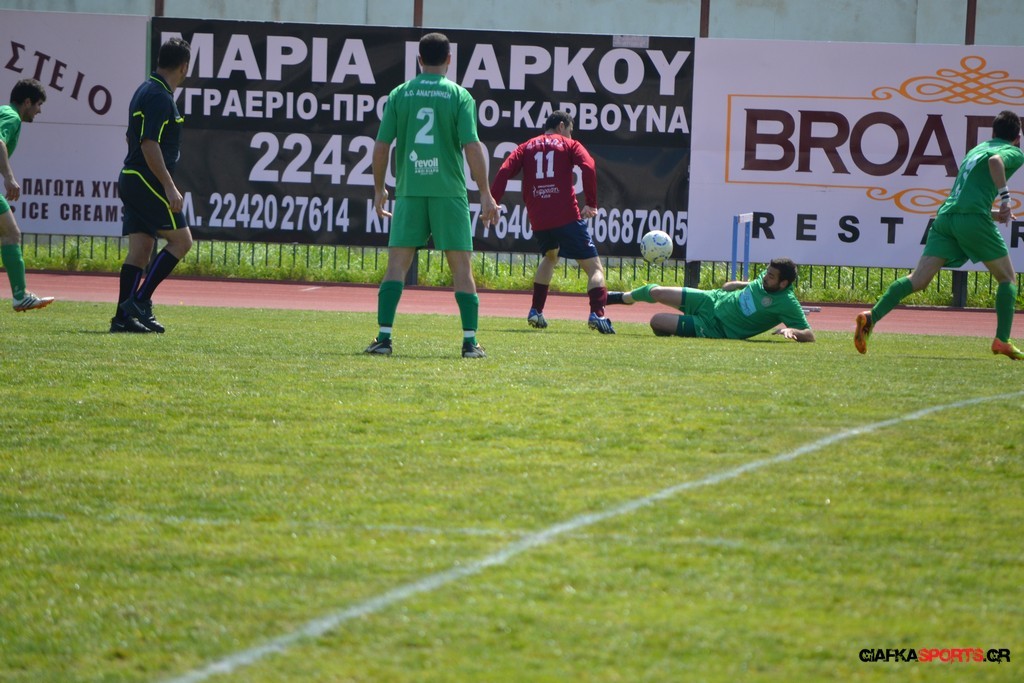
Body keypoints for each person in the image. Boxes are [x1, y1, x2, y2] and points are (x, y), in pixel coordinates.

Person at [365, 32, 498, 358]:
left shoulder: (400, 94)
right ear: (449, 59)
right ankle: (470, 343)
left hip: (411, 191)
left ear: (419, 59)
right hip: (448, 192)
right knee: (461, 268)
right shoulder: (459, 95)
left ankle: (383, 339)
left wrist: (379, 188)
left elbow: (382, 146)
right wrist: (485, 192)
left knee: (396, 265)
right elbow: (472, 146)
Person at [855, 110, 1024, 359]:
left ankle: (872, 316)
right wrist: (1006, 199)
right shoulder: (1013, 152)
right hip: (970, 219)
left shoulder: (976, 150)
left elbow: (965, 196)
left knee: (918, 279)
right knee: (1007, 279)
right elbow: (996, 162)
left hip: (947, 218)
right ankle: (1002, 339)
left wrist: (994, 214)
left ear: (993, 132)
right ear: (1017, 137)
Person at [490, 110, 613, 333]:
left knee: (551, 256)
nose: (571, 135)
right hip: (566, 216)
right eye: (570, 130)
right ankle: (597, 314)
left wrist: (493, 201)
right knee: (595, 268)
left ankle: (536, 311)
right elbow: (588, 165)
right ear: (561, 126)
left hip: (539, 218)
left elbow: (504, 170)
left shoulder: (526, 146)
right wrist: (591, 203)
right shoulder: (569, 144)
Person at [112, 37, 193, 334]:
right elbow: (149, 143)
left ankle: (122, 319)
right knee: (182, 241)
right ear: (184, 67)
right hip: (145, 179)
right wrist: (169, 186)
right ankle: (140, 300)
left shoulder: (145, 89)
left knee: (141, 250)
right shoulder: (160, 96)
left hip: (131, 177)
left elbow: (130, 136)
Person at [607, 257, 815, 342]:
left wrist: (792, 331)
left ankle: (682, 328)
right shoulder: (766, 279)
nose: (765, 277)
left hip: (715, 327)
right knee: (657, 292)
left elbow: (809, 335)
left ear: (783, 284)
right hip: (712, 299)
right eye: (767, 272)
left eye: (771, 276)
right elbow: (754, 285)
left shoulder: (787, 303)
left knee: (656, 321)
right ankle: (623, 297)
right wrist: (739, 284)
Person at [0, 78, 54, 312]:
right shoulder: (12, 117)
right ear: (28, 102)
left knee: (9, 233)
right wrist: (9, 177)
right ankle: (20, 296)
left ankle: (21, 295)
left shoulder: (4, 111)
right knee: (11, 234)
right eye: (39, 104)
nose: (39, 110)